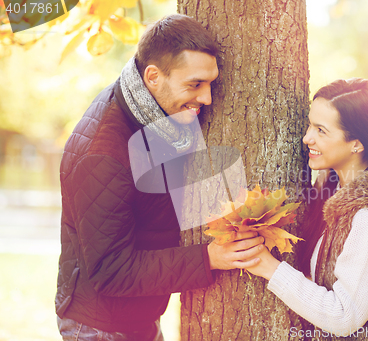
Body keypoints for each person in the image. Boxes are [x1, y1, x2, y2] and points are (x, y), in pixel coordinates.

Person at [55, 14, 264, 340]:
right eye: (195, 84)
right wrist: (208, 259)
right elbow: (109, 272)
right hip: (100, 326)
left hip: (139, 316)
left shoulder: (154, 107)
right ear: (152, 76)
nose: (207, 99)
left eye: (211, 83)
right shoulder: (104, 155)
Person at [244, 78, 368, 340]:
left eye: (321, 130)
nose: (307, 138)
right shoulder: (334, 195)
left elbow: (344, 315)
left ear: (357, 143)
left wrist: (268, 267)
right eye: (310, 124)